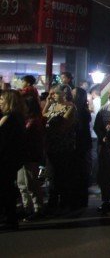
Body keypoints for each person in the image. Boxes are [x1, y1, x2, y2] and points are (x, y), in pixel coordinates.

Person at [43, 85, 75, 210]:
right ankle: (53, 201)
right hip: (51, 145)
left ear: (63, 94)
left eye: (55, 93)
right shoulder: (52, 106)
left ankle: (62, 202)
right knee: (52, 174)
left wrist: (50, 125)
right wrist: (47, 103)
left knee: (60, 175)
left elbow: (64, 125)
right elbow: (43, 117)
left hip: (63, 146)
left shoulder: (70, 107)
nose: (52, 96)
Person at [0, 90, 25, 230]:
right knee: (7, 187)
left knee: (5, 188)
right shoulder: (17, 117)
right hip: (10, 158)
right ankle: (10, 217)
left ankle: (10, 217)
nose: (0, 101)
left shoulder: (10, 117)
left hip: (6, 158)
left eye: (2, 99)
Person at [18, 95, 45, 222]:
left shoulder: (34, 121)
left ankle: (37, 209)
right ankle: (27, 208)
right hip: (24, 155)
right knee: (22, 183)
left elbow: (31, 138)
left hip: (31, 155)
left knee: (31, 183)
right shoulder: (26, 119)